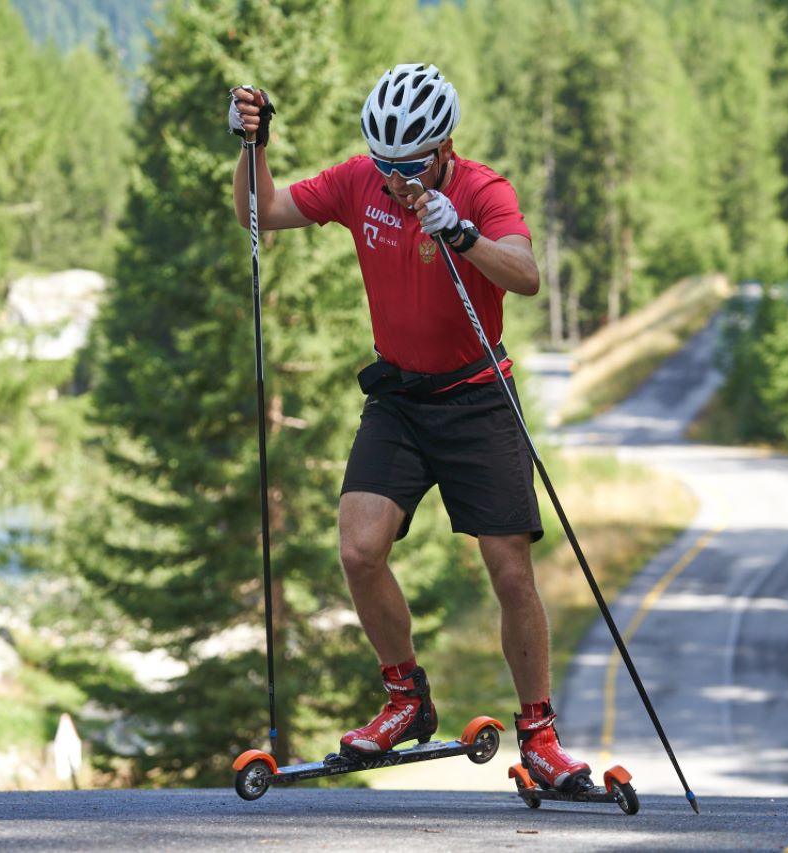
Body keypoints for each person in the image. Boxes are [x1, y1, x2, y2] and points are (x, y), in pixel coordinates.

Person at [229, 64, 592, 793]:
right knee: (359, 549)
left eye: (412, 164)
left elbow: (524, 275)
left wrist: (461, 234)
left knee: (509, 570)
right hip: (399, 397)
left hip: (479, 396)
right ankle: (406, 698)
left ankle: (541, 734)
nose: (396, 179)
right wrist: (254, 144)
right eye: (386, 163)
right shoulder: (359, 180)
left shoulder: (482, 190)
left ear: (445, 146)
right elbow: (259, 211)